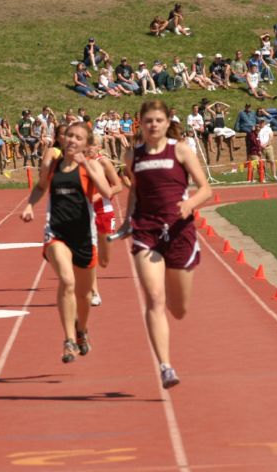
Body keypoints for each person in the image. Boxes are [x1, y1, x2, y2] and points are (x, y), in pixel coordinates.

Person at [119, 100, 211, 388]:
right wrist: (126, 221)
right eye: (148, 120)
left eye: (158, 120)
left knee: (179, 309)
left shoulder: (180, 150)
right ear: (140, 122)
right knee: (154, 298)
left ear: (167, 120)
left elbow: (206, 188)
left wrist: (190, 204)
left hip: (180, 231)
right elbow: (135, 190)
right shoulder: (132, 155)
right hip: (146, 231)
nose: (153, 125)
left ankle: (172, 304)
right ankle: (166, 366)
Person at [20, 122, 113, 363]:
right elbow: (41, 187)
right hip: (56, 233)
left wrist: (87, 167)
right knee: (66, 280)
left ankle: (81, 330)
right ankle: (69, 340)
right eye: (69, 135)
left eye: (78, 137)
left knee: (83, 296)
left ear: (86, 143)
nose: (72, 140)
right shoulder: (53, 166)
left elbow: (107, 191)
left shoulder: (91, 165)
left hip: (84, 236)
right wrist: (30, 204)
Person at [89, 139, 124, 306]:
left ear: (98, 147)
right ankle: (94, 292)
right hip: (85, 214)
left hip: (104, 212)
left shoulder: (103, 163)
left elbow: (118, 186)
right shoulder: (79, 163)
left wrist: (99, 195)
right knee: (90, 252)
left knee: (104, 261)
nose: (88, 147)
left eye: (92, 144)